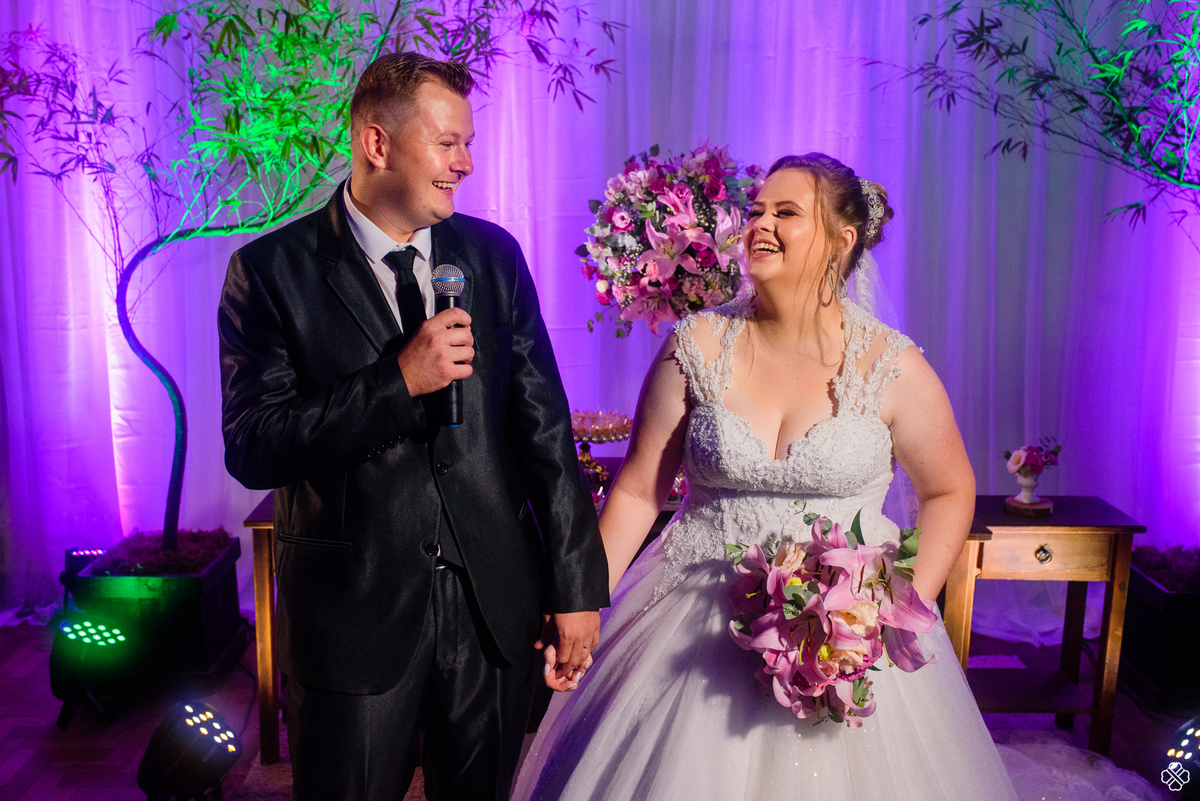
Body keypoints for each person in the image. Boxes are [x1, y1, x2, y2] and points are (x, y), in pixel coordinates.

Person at [512, 153, 1020, 800]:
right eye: (755, 211)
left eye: (786, 213)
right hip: (691, 627)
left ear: (843, 240)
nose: (759, 225)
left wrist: (892, 610)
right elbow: (639, 492)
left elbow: (950, 490)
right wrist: (582, 602)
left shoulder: (893, 365)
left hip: (846, 635)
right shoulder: (694, 346)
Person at [218, 52, 608, 801]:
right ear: (377, 143)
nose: (466, 163)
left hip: (493, 608)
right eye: (448, 142)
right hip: (352, 615)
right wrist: (397, 383)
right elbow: (256, 442)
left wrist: (576, 584)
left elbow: (543, 429)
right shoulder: (269, 272)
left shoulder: (492, 257)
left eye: (468, 142)